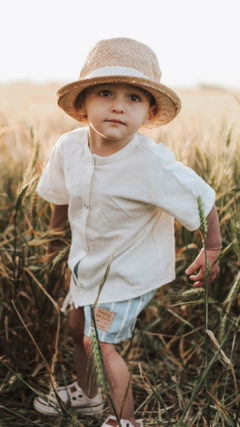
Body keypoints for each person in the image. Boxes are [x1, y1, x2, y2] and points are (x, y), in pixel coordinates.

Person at [34, 37, 221, 427]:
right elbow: (60, 195)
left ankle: (124, 421)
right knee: (75, 323)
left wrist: (213, 247)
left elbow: (202, 197)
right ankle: (87, 395)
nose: (119, 104)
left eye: (134, 98)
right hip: (87, 261)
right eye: (105, 92)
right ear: (82, 104)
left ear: (149, 113)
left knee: (99, 342)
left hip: (127, 271)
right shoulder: (68, 147)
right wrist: (54, 238)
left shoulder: (151, 164)